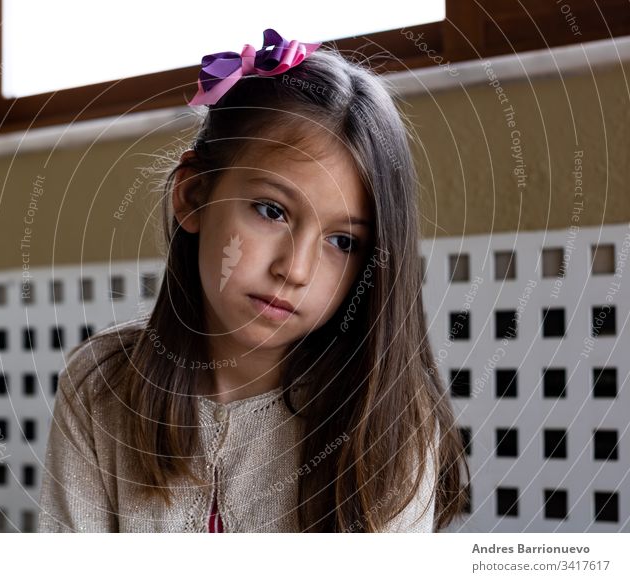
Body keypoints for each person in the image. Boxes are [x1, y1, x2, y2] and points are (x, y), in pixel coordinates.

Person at [37, 29, 469, 533]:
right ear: (194, 195)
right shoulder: (100, 388)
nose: (297, 269)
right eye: (271, 211)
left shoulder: (390, 430)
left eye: (344, 242)